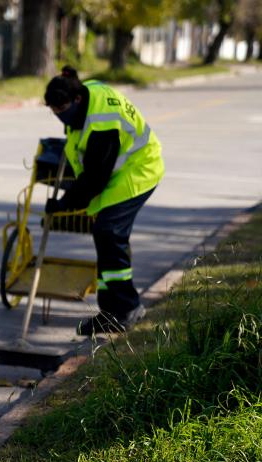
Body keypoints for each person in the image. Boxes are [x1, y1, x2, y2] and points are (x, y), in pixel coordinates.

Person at [43, 66, 164, 336]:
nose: (60, 116)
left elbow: (96, 177)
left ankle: (128, 308)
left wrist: (64, 202)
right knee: (104, 235)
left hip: (139, 169)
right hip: (119, 173)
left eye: (62, 110)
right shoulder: (85, 96)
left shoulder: (102, 123)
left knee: (110, 232)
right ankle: (110, 312)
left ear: (76, 100)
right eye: (54, 111)